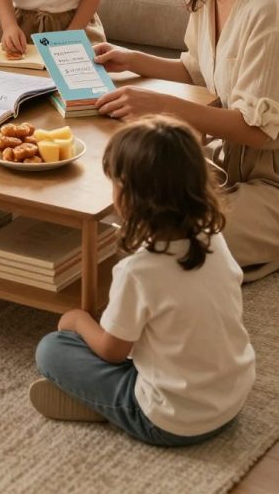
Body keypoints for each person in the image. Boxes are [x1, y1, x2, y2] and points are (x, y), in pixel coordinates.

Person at [93, 0, 279, 281]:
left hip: (272, 183)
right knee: (123, 218)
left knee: (167, 246)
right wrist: (133, 59)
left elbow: (257, 130)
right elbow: (199, 72)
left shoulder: (267, 11)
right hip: (224, 162)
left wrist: (162, 105)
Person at [30, 116, 255, 445]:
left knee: (52, 349)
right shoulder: (212, 238)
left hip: (173, 421)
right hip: (231, 398)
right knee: (153, 336)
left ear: (129, 197)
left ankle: (112, 408)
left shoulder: (139, 271)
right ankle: (112, 399)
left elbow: (112, 351)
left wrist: (78, 321)